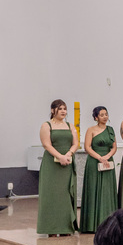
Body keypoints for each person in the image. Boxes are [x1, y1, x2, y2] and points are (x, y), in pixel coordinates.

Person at [38, 99, 78, 236]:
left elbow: (75, 143)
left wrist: (68, 154)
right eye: (60, 108)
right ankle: (52, 229)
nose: (63, 111)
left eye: (65, 109)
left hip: (67, 162)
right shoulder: (46, 125)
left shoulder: (70, 125)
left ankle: (66, 228)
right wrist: (59, 156)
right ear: (52, 110)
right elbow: (46, 144)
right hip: (52, 164)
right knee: (52, 195)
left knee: (65, 195)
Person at [80, 106, 118, 233]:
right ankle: (92, 224)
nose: (105, 117)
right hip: (94, 161)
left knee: (107, 191)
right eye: (102, 115)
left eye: (106, 114)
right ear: (96, 117)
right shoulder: (91, 130)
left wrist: (107, 156)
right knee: (94, 189)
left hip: (108, 161)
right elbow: (87, 147)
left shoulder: (110, 130)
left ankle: (108, 223)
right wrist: (100, 157)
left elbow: (114, 147)